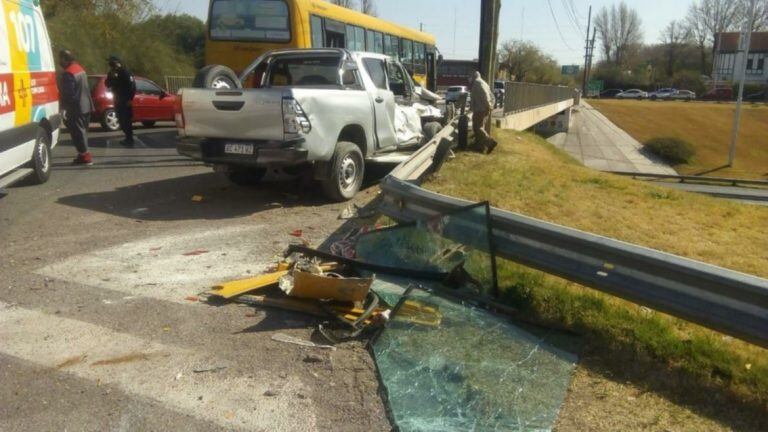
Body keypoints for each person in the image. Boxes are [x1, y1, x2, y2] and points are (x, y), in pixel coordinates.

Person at [58, 50, 94, 166]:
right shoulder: (80, 69)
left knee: (78, 132)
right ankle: (82, 154)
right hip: (86, 105)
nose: (59, 62)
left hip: (76, 108)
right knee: (82, 131)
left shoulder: (68, 73)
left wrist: (64, 108)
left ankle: (85, 157)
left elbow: (68, 94)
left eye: (60, 59)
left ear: (64, 59)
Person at [105, 55, 136, 146]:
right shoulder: (112, 72)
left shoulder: (125, 72)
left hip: (125, 100)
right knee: (121, 120)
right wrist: (111, 76)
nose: (110, 63)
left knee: (126, 120)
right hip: (118, 99)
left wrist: (130, 99)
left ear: (116, 62)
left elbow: (132, 86)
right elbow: (107, 84)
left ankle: (129, 138)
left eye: (111, 61)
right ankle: (127, 137)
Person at [469, 71, 498, 154]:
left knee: (478, 128)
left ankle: (490, 142)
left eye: (470, 76)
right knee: (480, 127)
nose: (469, 78)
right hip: (484, 108)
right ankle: (480, 147)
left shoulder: (477, 83)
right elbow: (492, 96)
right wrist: (491, 105)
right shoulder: (484, 83)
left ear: (474, 76)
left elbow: (485, 95)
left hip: (480, 109)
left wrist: (488, 105)